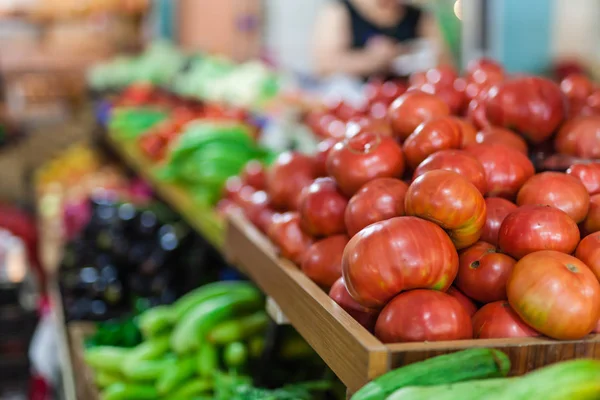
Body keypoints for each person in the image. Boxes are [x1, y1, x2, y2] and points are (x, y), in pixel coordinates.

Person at [313, 0, 452, 78]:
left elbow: (446, 65)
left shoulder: (420, 16)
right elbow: (325, 65)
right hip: (356, 103)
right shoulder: (340, 11)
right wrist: (372, 60)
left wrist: (409, 56)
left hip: (412, 99)